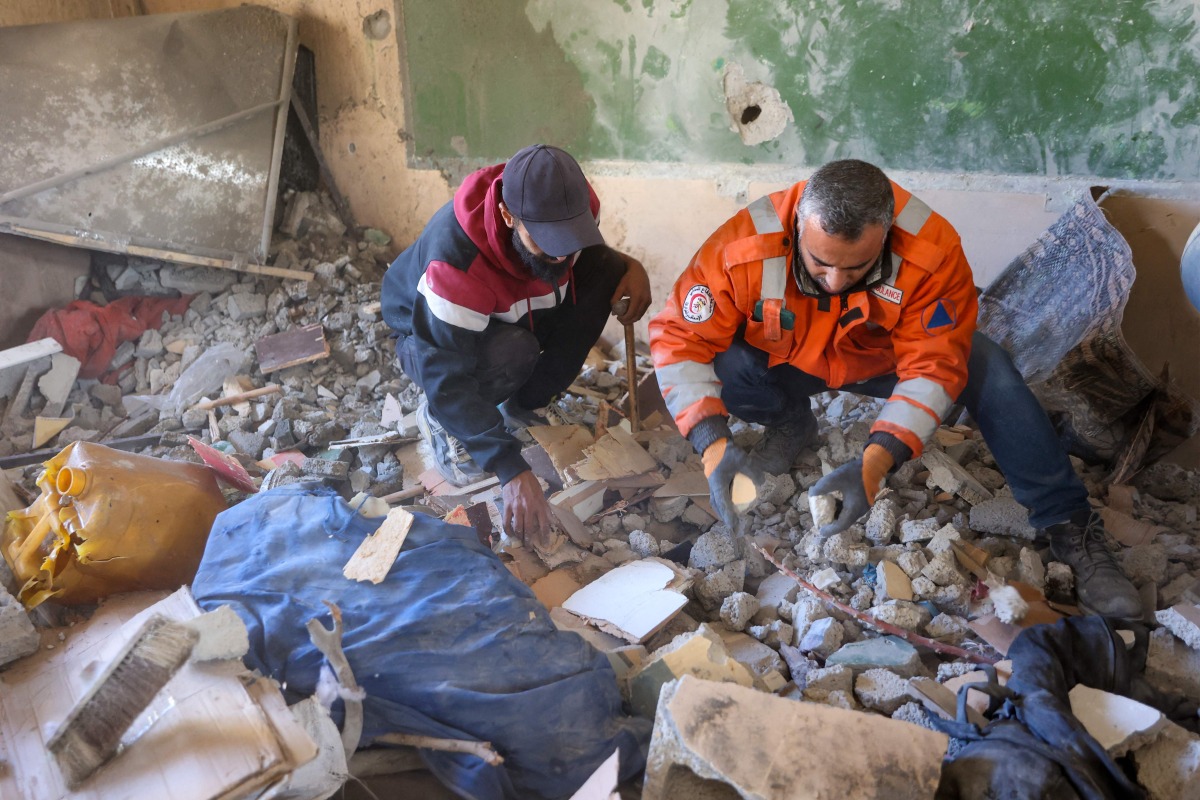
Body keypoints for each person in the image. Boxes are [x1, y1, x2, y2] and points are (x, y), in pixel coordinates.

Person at [648, 158, 1142, 621]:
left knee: (985, 364)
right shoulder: (743, 244)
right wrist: (713, 449)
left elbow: (933, 366)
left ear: (885, 235)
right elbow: (679, 339)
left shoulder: (932, 249)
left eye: (856, 267)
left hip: (880, 362)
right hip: (791, 358)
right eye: (820, 263)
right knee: (727, 358)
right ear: (798, 224)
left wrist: (874, 463)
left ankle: (1070, 524)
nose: (836, 280)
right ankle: (789, 421)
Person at [382, 144, 652, 545]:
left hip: (510, 312)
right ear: (508, 215)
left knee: (605, 271)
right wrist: (509, 467)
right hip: (427, 338)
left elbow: (592, 258)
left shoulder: (571, 215)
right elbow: (447, 376)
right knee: (514, 350)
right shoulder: (455, 262)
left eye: (569, 239)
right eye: (546, 240)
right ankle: (445, 423)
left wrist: (632, 266)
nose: (561, 254)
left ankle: (522, 406)